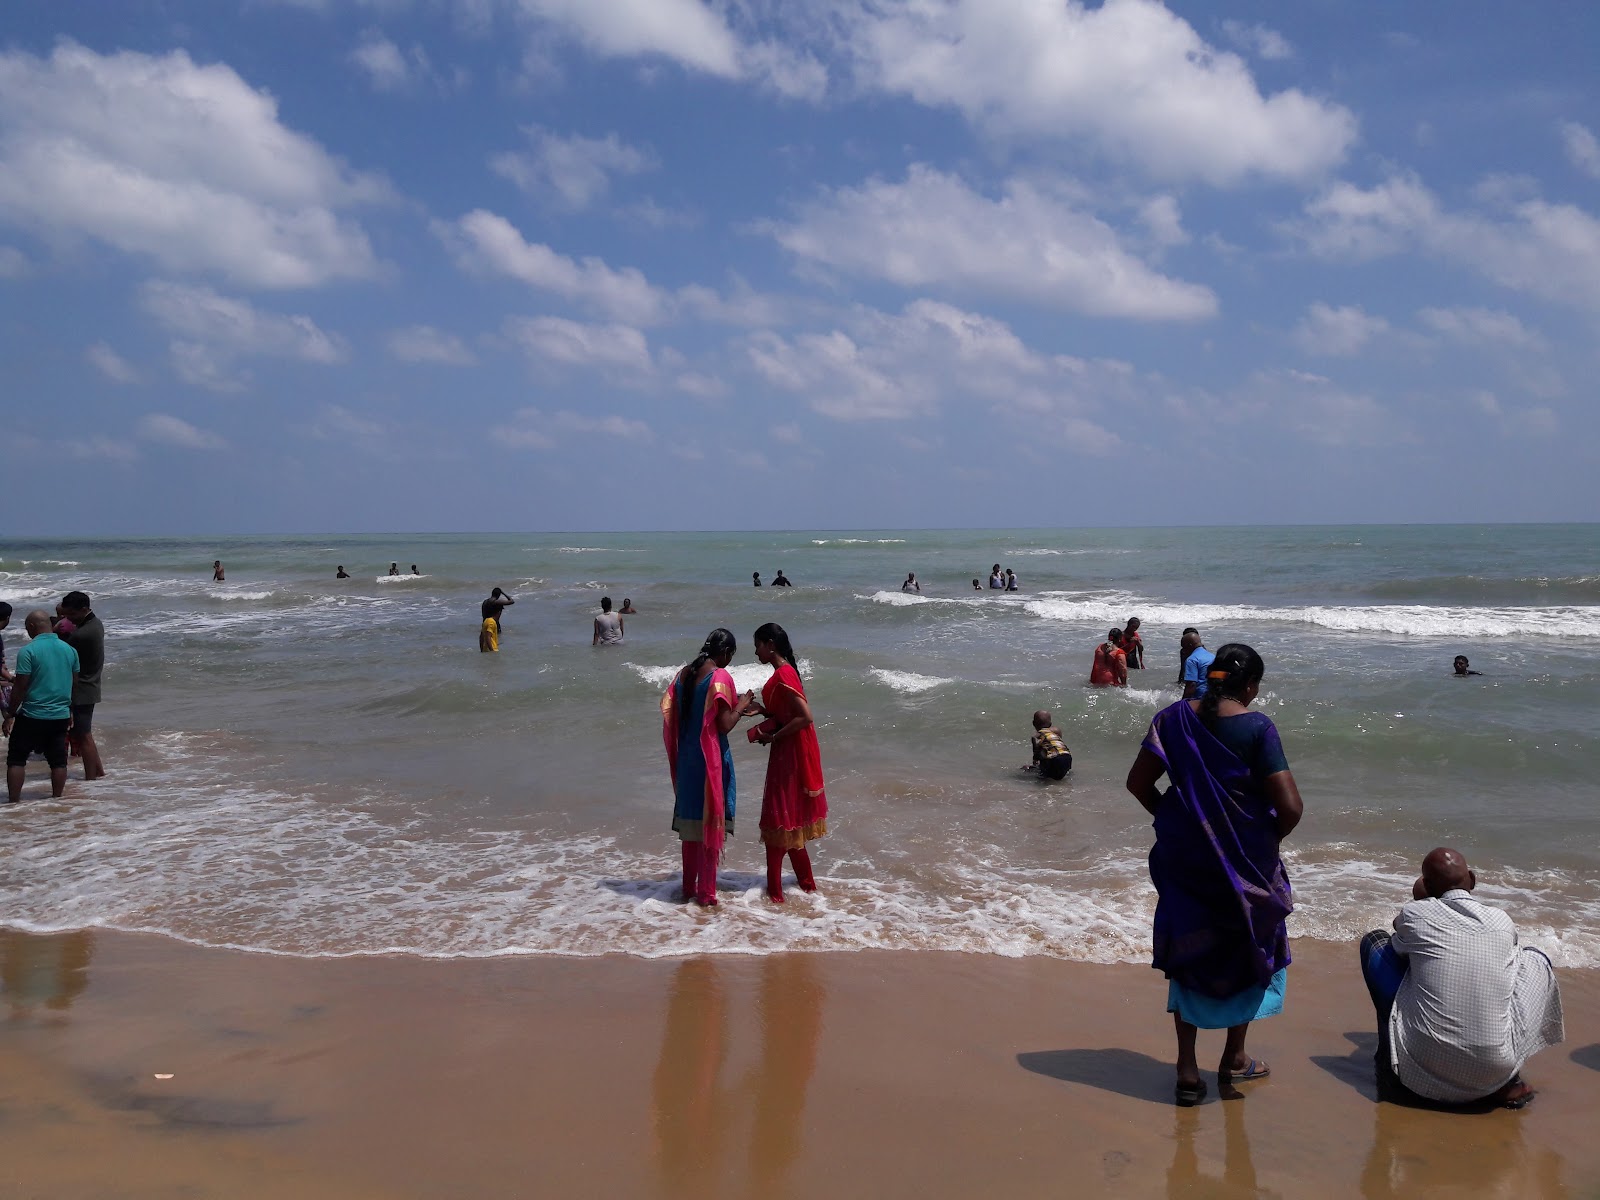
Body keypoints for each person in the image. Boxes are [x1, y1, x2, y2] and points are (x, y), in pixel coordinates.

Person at [1125, 643, 1303, 1107]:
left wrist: (1178, 819)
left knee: (1189, 947)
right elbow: (1290, 807)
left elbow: (1139, 784)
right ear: (1249, 686)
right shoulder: (1257, 726)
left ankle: (1187, 1070)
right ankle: (1234, 1056)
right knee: (1249, 942)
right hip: (1244, 862)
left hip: (1187, 859)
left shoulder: (1171, 719)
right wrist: (1263, 841)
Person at [1358, 848, 1563, 1109]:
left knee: (1375, 942)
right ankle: (1509, 1080)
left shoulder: (1415, 914)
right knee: (1532, 957)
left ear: (1426, 886)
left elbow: (1399, 929)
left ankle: (1389, 1057)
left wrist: (1421, 899)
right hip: (1495, 1071)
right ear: (1473, 880)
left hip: (1422, 1073)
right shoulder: (1502, 920)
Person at [662, 629, 757, 906]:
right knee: (709, 826)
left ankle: (687, 889)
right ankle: (706, 896)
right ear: (726, 652)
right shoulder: (720, 677)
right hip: (710, 761)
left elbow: (680, 712)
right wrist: (742, 704)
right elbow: (725, 724)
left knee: (691, 827)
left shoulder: (683, 675)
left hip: (688, 760)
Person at [747, 623, 828, 903]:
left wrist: (773, 737)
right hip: (788, 750)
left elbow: (805, 716)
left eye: (757, 644)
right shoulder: (785, 672)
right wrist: (763, 711)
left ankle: (776, 898)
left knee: (778, 825)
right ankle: (808, 889)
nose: (755, 650)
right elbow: (787, 712)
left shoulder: (783, 673)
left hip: (789, 753)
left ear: (770, 644)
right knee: (790, 826)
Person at [3, 610, 80, 803]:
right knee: (58, 761)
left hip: (32, 714)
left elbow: (20, 686)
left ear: (31, 627)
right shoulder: (70, 651)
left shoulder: (28, 651)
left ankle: (14, 802)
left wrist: (10, 714)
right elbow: (74, 684)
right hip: (60, 715)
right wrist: (70, 710)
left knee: (16, 759)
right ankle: (57, 799)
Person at [57, 592, 105, 781]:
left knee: (83, 736)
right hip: (90, 686)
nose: (68, 619)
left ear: (84, 610)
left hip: (82, 690)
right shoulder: (95, 624)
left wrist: (55, 628)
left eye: (72, 615)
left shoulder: (82, 634)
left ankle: (91, 778)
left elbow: (60, 651)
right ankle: (98, 772)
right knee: (86, 735)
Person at [1024, 710, 1072, 780]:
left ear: (1034, 723)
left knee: (1043, 776)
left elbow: (1036, 755)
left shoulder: (1037, 735)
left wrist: (1035, 763)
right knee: (1059, 774)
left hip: (1054, 759)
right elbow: (1056, 746)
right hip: (1067, 756)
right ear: (1050, 724)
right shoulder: (1056, 730)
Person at [1181, 629, 1214, 699]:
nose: (1183, 651)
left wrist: (1181, 703)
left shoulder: (1192, 660)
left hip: (1200, 699)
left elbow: (1191, 685)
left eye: (1184, 647)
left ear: (1190, 645)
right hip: (1214, 697)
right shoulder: (1212, 656)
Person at [480, 587, 514, 654]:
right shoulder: (495, 602)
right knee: (493, 640)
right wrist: (503, 593)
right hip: (493, 624)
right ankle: (492, 651)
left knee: (486, 638)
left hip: (484, 623)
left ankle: (486, 650)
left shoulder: (485, 602)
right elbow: (511, 601)